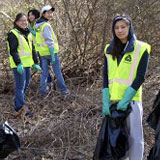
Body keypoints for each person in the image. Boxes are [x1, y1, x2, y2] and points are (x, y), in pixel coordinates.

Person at [102, 14, 151, 160]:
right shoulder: (108, 49)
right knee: (117, 139)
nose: (120, 30)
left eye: (123, 27)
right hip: (113, 102)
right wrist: (105, 101)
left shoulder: (142, 48)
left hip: (132, 102)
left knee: (135, 138)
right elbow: (105, 76)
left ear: (130, 27)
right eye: (116, 27)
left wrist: (125, 100)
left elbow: (140, 77)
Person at [7, 13, 41, 117]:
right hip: (19, 65)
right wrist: (18, 64)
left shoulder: (28, 33)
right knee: (20, 86)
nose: (24, 22)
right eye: (21, 20)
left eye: (25, 20)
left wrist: (35, 63)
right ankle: (20, 107)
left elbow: (32, 49)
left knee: (26, 85)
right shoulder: (13, 33)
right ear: (16, 22)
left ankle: (20, 103)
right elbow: (13, 51)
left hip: (27, 64)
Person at [35, 5, 69, 95]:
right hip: (50, 52)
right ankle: (64, 90)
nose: (51, 15)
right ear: (43, 14)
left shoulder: (37, 25)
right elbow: (49, 41)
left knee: (44, 73)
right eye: (48, 13)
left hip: (42, 53)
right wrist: (52, 54)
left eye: (51, 13)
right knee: (58, 72)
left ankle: (42, 91)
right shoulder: (45, 25)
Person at [28, 9, 53, 85]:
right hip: (38, 49)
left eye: (32, 14)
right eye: (29, 15)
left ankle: (49, 82)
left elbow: (41, 34)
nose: (30, 16)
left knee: (44, 66)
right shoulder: (32, 24)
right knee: (44, 66)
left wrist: (33, 32)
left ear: (36, 15)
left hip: (44, 49)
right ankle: (49, 82)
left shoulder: (38, 23)